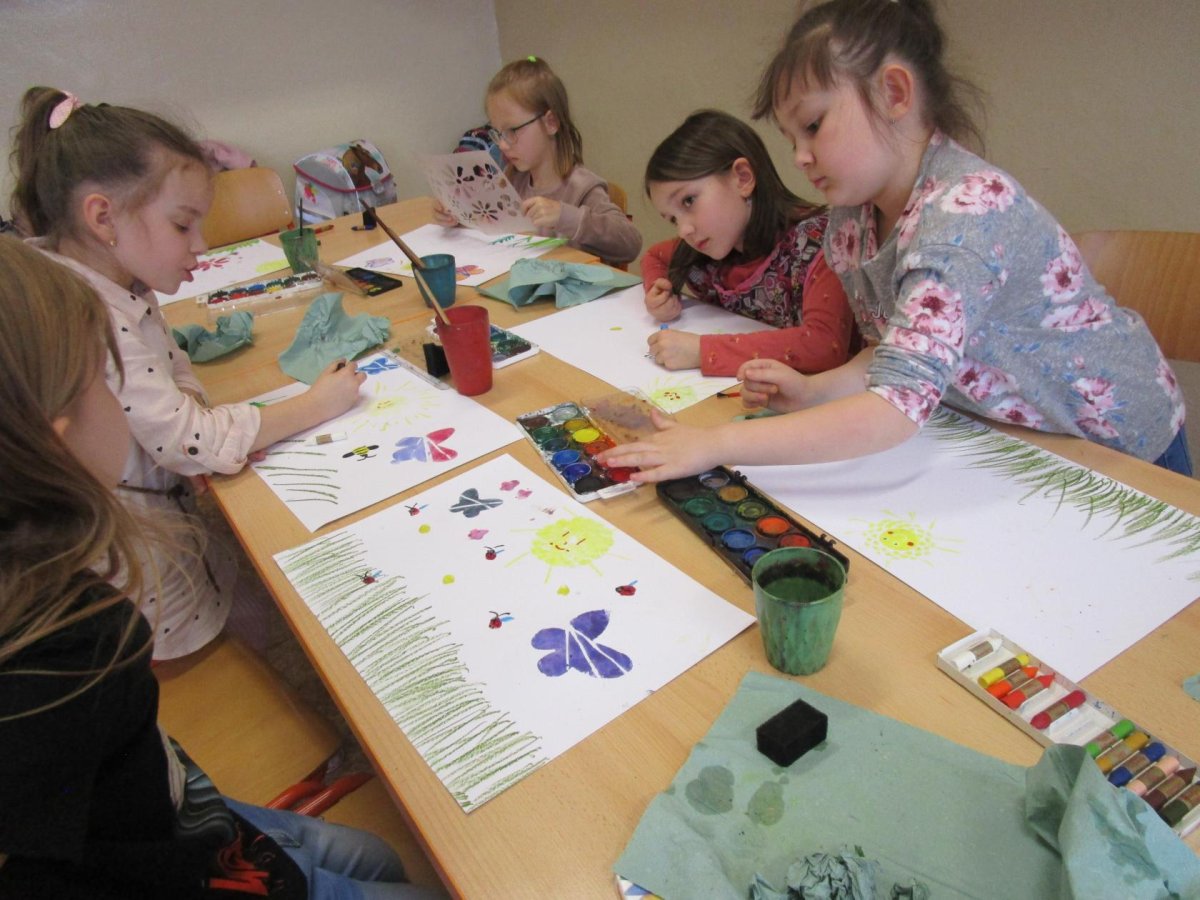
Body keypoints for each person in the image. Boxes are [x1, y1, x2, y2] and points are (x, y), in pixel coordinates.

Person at [0, 237, 438, 899]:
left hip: (184, 813)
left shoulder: (56, 581)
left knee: (375, 856)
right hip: (187, 869)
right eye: (105, 377)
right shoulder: (69, 655)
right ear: (60, 438)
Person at [599, 0, 1188, 481]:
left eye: (813, 126)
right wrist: (815, 391)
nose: (799, 156)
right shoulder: (852, 218)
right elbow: (888, 353)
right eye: (791, 137)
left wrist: (713, 444)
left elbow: (893, 410)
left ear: (895, 94)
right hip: (1014, 438)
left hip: (1115, 446)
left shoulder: (964, 213)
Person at [9, 87, 367, 659]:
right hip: (138, 564)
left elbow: (172, 360)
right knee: (232, 636)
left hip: (167, 510)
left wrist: (185, 417)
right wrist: (315, 405)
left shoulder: (117, 279)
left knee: (244, 599)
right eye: (182, 226)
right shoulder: (85, 312)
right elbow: (190, 440)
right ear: (102, 218)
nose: (200, 245)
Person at [641, 109, 856, 377]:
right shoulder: (708, 246)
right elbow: (655, 256)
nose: (684, 230)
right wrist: (658, 290)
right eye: (673, 219)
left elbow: (824, 346)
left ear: (742, 178)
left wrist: (702, 350)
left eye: (688, 201)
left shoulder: (821, 245)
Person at [432, 56, 642, 267]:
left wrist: (565, 216)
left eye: (512, 131)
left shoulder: (583, 187)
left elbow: (631, 243)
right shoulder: (513, 178)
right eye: (497, 133)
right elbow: (490, 225)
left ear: (551, 122)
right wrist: (458, 215)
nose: (502, 144)